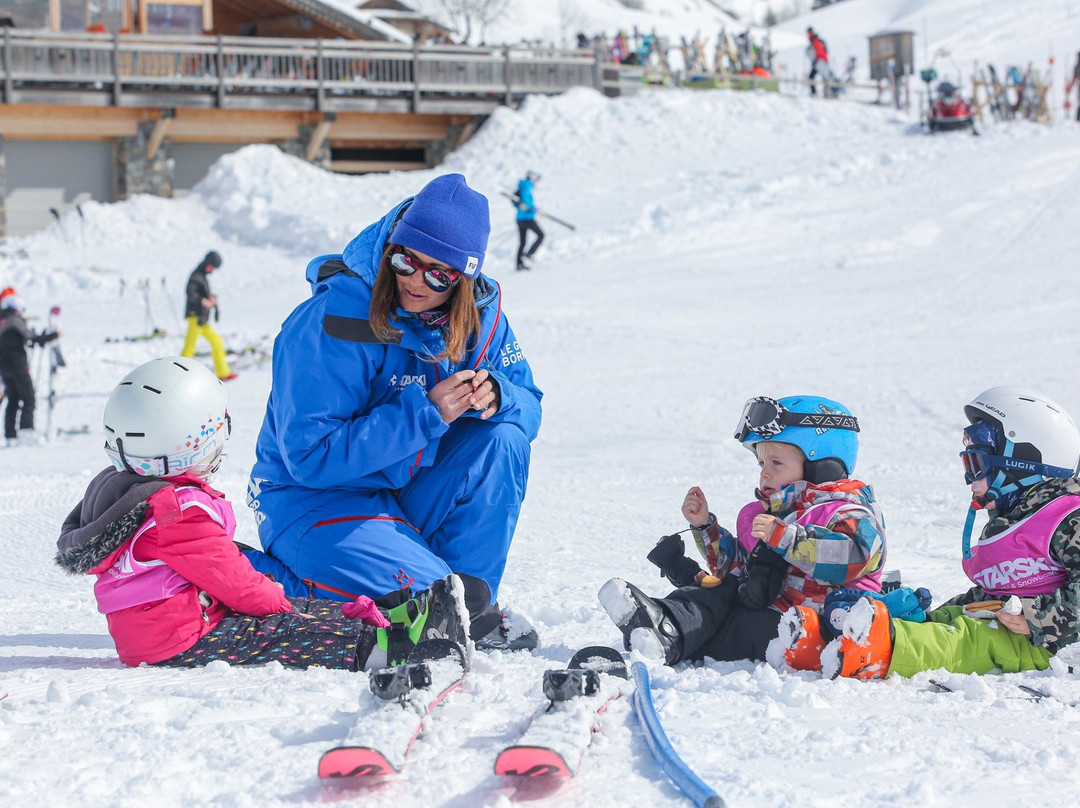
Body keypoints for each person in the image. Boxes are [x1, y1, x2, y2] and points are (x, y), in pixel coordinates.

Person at [245, 173, 543, 649]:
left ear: (463, 279)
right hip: (313, 501)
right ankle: (242, 575)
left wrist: (500, 395)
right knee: (426, 606)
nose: (415, 280)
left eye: (438, 273)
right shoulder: (332, 322)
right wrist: (424, 414)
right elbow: (309, 456)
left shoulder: (482, 321)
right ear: (390, 251)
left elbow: (531, 409)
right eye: (405, 260)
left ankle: (469, 604)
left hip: (401, 489)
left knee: (501, 439)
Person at [54, 356, 468, 670]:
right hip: (181, 636)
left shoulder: (126, 489)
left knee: (285, 602)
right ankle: (386, 648)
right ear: (193, 443)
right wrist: (276, 598)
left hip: (166, 623)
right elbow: (234, 584)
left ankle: (387, 615)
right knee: (282, 628)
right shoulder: (176, 511)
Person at [599, 395, 886, 668]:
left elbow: (854, 557)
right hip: (771, 619)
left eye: (776, 463)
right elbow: (740, 567)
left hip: (819, 630)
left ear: (821, 463)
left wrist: (787, 538)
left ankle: (670, 631)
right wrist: (705, 527)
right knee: (720, 596)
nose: (765, 473)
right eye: (762, 463)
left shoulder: (848, 512)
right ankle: (665, 630)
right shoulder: (772, 515)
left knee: (730, 608)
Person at [823, 386, 1080, 680]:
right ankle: (834, 635)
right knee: (952, 620)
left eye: (978, 466)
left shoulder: (1069, 518)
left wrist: (1039, 615)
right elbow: (1002, 590)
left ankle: (880, 647)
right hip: (1012, 626)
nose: (972, 482)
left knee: (964, 641)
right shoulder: (1019, 520)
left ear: (1023, 466)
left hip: (1050, 645)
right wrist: (938, 615)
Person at [0, 294, 59, 446]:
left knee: (12, 399)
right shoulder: (14, 320)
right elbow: (31, 337)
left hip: (4, 368)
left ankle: (10, 436)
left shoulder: (2, 320)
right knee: (28, 398)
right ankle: (26, 432)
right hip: (18, 366)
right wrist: (52, 335)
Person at [180, 250, 236, 381]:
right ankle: (179, 373)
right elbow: (190, 293)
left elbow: (201, 293)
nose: (213, 270)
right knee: (189, 347)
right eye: (212, 266)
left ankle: (223, 373)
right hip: (195, 317)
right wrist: (203, 300)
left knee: (217, 342)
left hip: (202, 319)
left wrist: (210, 297)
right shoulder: (196, 276)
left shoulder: (202, 276)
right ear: (207, 263)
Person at [514, 171, 544, 271]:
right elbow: (526, 201)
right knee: (541, 235)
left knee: (522, 243)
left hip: (520, 218)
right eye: (536, 179)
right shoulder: (527, 186)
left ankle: (519, 264)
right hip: (527, 218)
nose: (536, 182)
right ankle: (530, 253)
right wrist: (532, 208)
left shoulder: (522, 185)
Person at [806, 27, 836, 98]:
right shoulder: (815, 40)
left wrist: (817, 60)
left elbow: (820, 51)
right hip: (820, 61)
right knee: (824, 77)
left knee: (819, 77)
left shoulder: (815, 40)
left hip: (820, 62)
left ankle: (830, 91)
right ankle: (828, 92)